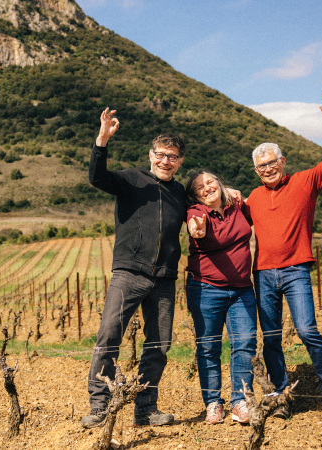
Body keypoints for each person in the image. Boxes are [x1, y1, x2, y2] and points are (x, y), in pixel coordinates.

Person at [245, 92, 322, 424]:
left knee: (307, 330)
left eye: (271, 162)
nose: (267, 169)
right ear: (256, 170)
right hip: (262, 275)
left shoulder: (305, 182)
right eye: (261, 166)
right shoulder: (252, 198)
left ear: (282, 162)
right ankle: (279, 397)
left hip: (295, 272)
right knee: (272, 339)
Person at [81, 108, 185, 428]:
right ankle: (99, 405)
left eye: (173, 156)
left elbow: (208, 205)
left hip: (165, 278)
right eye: (161, 154)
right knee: (109, 336)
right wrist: (102, 140)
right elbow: (98, 178)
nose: (165, 160)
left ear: (180, 161)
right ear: (151, 155)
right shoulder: (131, 179)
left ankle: (146, 408)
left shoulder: (181, 193)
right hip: (129, 272)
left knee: (158, 345)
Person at [184, 170, 256, 424]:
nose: (207, 188)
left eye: (210, 182)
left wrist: (238, 195)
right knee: (208, 347)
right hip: (205, 288)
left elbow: (254, 210)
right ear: (195, 195)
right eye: (200, 187)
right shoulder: (197, 212)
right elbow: (196, 228)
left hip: (242, 289)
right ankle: (213, 403)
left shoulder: (237, 205)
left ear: (220, 183)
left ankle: (240, 402)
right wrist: (198, 229)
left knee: (245, 344)